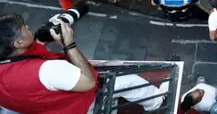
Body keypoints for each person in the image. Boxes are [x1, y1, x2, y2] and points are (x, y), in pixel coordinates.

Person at [0, 14, 167, 114]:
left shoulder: (6, 62)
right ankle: (158, 102)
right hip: (80, 105)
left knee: (112, 64)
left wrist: (40, 40)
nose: (28, 26)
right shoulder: (47, 70)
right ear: (19, 42)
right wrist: (69, 44)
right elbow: (89, 83)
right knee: (127, 78)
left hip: (44, 106)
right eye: (23, 28)